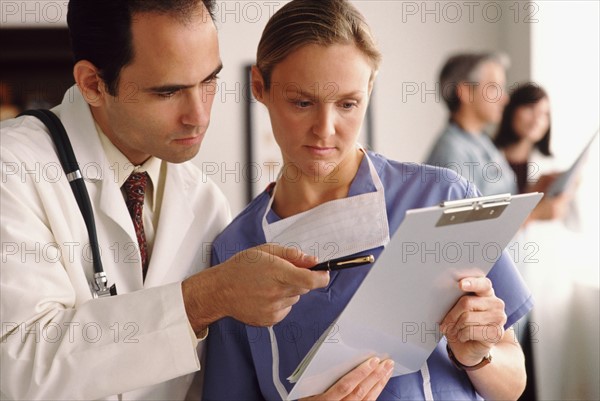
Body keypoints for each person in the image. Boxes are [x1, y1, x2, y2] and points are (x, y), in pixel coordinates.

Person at [1, 1, 388, 399]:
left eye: (209, 81)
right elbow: (16, 367)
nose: (199, 116)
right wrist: (205, 297)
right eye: (168, 92)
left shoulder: (204, 202)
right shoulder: (13, 169)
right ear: (93, 84)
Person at [202, 1, 531, 400]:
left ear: (369, 88)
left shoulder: (443, 198)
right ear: (259, 87)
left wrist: (478, 356)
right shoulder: (236, 253)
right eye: (302, 103)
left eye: (347, 104)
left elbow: (513, 386)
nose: (325, 129)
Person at [425, 52, 516, 196]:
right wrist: (537, 213)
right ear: (466, 92)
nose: (504, 99)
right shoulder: (452, 153)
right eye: (493, 88)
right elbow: (473, 218)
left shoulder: (481, 140)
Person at [494, 83, 571, 221]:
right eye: (530, 109)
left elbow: (571, 220)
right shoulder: (486, 155)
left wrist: (569, 189)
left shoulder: (549, 164)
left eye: (544, 114)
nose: (537, 120)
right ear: (512, 110)